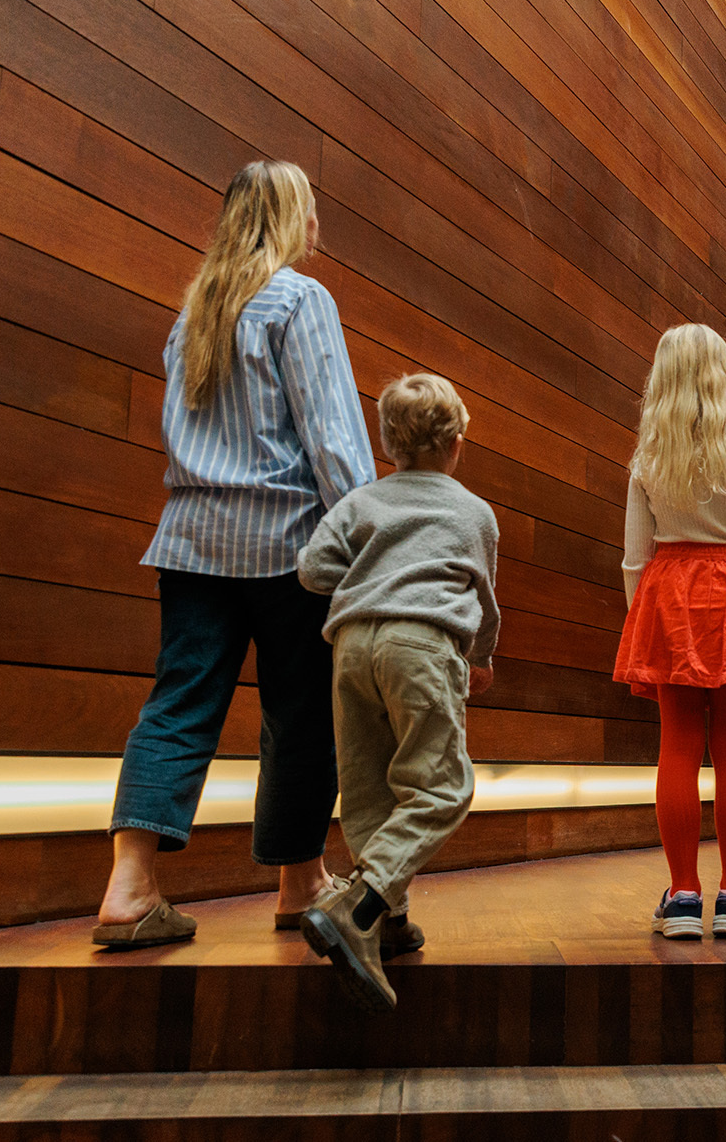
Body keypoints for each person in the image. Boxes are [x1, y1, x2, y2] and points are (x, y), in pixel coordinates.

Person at [92, 159, 375, 950]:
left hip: (190, 545)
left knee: (178, 704)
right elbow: (334, 439)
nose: (318, 226)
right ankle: (299, 880)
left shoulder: (195, 313)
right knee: (299, 714)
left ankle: (130, 884)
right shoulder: (300, 300)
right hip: (290, 548)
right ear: (290, 217)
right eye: (311, 210)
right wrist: (367, 541)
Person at [295, 373, 499, 1011]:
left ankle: (387, 921)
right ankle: (361, 902)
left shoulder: (360, 502)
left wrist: (367, 579)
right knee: (441, 786)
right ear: (457, 444)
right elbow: (483, 597)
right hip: (422, 644)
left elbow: (311, 570)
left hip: (351, 647)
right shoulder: (473, 511)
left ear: (389, 444)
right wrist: (482, 657)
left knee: (367, 787)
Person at [612, 324, 726, 940]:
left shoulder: (648, 458)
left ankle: (683, 896)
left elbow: (635, 560)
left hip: (668, 596)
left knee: (678, 746)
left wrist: (647, 625)